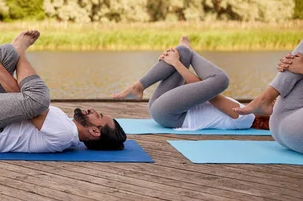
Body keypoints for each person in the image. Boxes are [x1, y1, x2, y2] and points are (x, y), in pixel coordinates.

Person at [112, 36, 269, 131]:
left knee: (222, 80)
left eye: (272, 103)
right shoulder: (243, 111)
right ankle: (139, 86)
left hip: (169, 115)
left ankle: (189, 50)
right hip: (164, 108)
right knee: (183, 53)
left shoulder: (245, 118)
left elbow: (210, 97)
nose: (271, 99)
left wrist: (176, 64)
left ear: (267, 115)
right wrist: (178, 60)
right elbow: (197, 89)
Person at [234, 40, 303, 153]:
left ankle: (264, 100)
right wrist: (292, 63)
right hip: (284, 127)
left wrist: (300, 68)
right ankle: (265, 98)